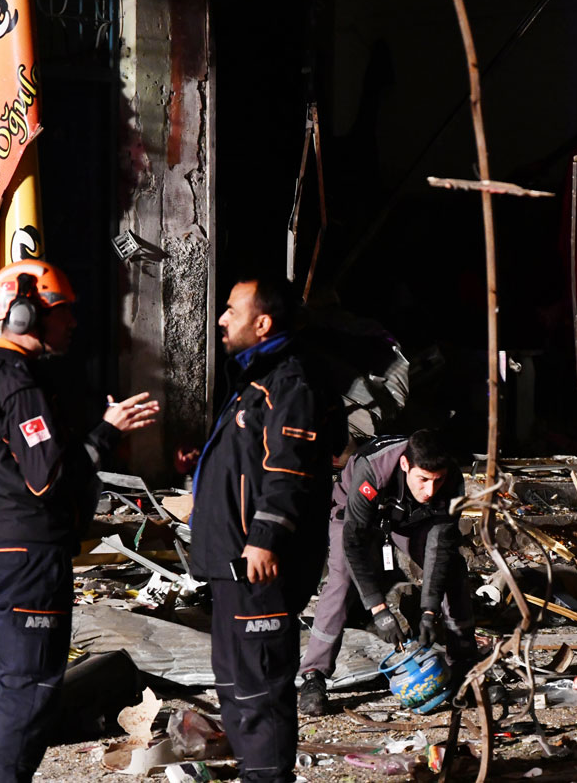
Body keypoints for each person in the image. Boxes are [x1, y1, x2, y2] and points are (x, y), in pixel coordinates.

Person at [0, 260, 159, 783]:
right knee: (30, 686)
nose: (72, 322)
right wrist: (106, 433)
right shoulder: (18, 385)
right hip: (27, 558)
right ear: (23, 314)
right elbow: (49, 477)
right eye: (63, 311)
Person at [189, 275, 344, 783]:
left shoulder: (289, 380)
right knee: (235, 685)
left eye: (231, 310)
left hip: (257, 566)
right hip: (232, 566)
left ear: (263, 322)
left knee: (260, 688)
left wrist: (265, 538)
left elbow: (289, 469)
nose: (221, 319)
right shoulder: (259, 380)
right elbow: (254, 463)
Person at [297, 429, 476, 716]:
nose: (430, 490)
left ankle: (466, 668)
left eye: (437, 480)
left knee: (453, 568)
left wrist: (429, 611)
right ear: (406, 465)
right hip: (355, 517)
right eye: (423, 480)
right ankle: (313, 675)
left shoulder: (451, 480)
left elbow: (439, 547)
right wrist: (378, 609)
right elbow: (353, 544)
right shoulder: (372, 467)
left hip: (409, 519)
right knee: (343, 576)